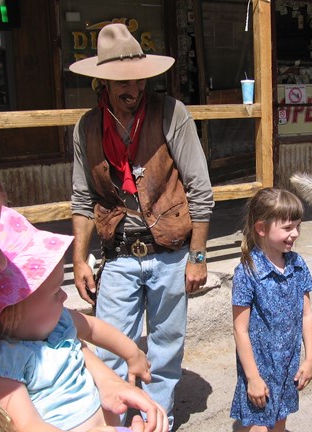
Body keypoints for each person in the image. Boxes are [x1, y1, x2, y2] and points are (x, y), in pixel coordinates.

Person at [0, 146, 168, 432]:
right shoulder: (1, 358)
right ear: (9, 311)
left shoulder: (51, 326)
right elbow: (28, 426)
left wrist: (118, 371)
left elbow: (84, 338)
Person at [68, 23, 214, 429]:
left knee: (167, 348)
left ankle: (155, 418)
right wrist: (80, 259)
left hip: (170, 252)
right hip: (118, 255)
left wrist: (198, 257)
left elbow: (200, 191)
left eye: (138, 78)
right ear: (103, 83)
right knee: (110, 347)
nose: (133, 87)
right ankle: (113, 421)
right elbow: (82, 198)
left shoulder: (172, 114)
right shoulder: (86, 127)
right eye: (122, 81)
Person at [230, 188, 312, 432]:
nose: (295, 234)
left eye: (298, 226)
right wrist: (252, 378)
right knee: (259, 427)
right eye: (288, 228)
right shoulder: (247, 272)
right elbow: (240, 329)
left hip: (288, 365)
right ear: (261, 228)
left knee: (280, 420)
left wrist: (310, 357)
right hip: (260, 369)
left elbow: (307, 314)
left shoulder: (298, 265)